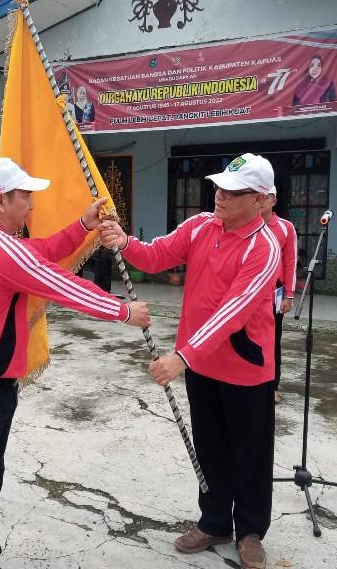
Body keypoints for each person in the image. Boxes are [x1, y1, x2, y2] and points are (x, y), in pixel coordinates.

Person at [0, 157, 151, 569]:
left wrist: (81, 226)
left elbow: (42, 253)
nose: (30, 205)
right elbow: (57, 282)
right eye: (25, 197)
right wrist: (121, 311)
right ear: (0, 200)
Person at [99, 153, 280, 569]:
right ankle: (214, 522)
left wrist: (182, 356)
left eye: (233, 191)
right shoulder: (200, 226)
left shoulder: (264, 246)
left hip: (245, 369)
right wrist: (124, 242)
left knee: (250, 454)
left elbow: (233, 311)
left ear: (259, 200)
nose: (220, 195)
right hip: (201, 365)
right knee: (210, 447)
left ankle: (250, 531)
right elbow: (157, 255)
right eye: (220, 187)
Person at [261, 185, 297, 403]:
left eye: (265, 197)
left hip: (274, 295)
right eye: (257, 197)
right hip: (248, 295)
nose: (260, 201)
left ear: (273, 201)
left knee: (272, 341)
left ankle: (272, 386)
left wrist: (289, 295)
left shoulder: (285, 228)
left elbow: (290, 261)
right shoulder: (244, 224)